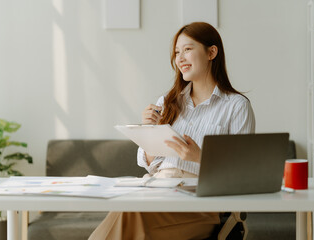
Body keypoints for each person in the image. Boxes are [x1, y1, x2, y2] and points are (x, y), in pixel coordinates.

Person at [89, 22, 255, 240]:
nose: (180, 58)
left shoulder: (236, 106)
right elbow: (151, 162)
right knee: (127, 209)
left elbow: (243, 176)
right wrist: (148, 132)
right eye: (177, 52)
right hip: (158, 190)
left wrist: (200, 158)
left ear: (211, 52)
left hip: (202, 204)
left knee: (130, 212)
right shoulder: (167, 103)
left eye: (187, 49)